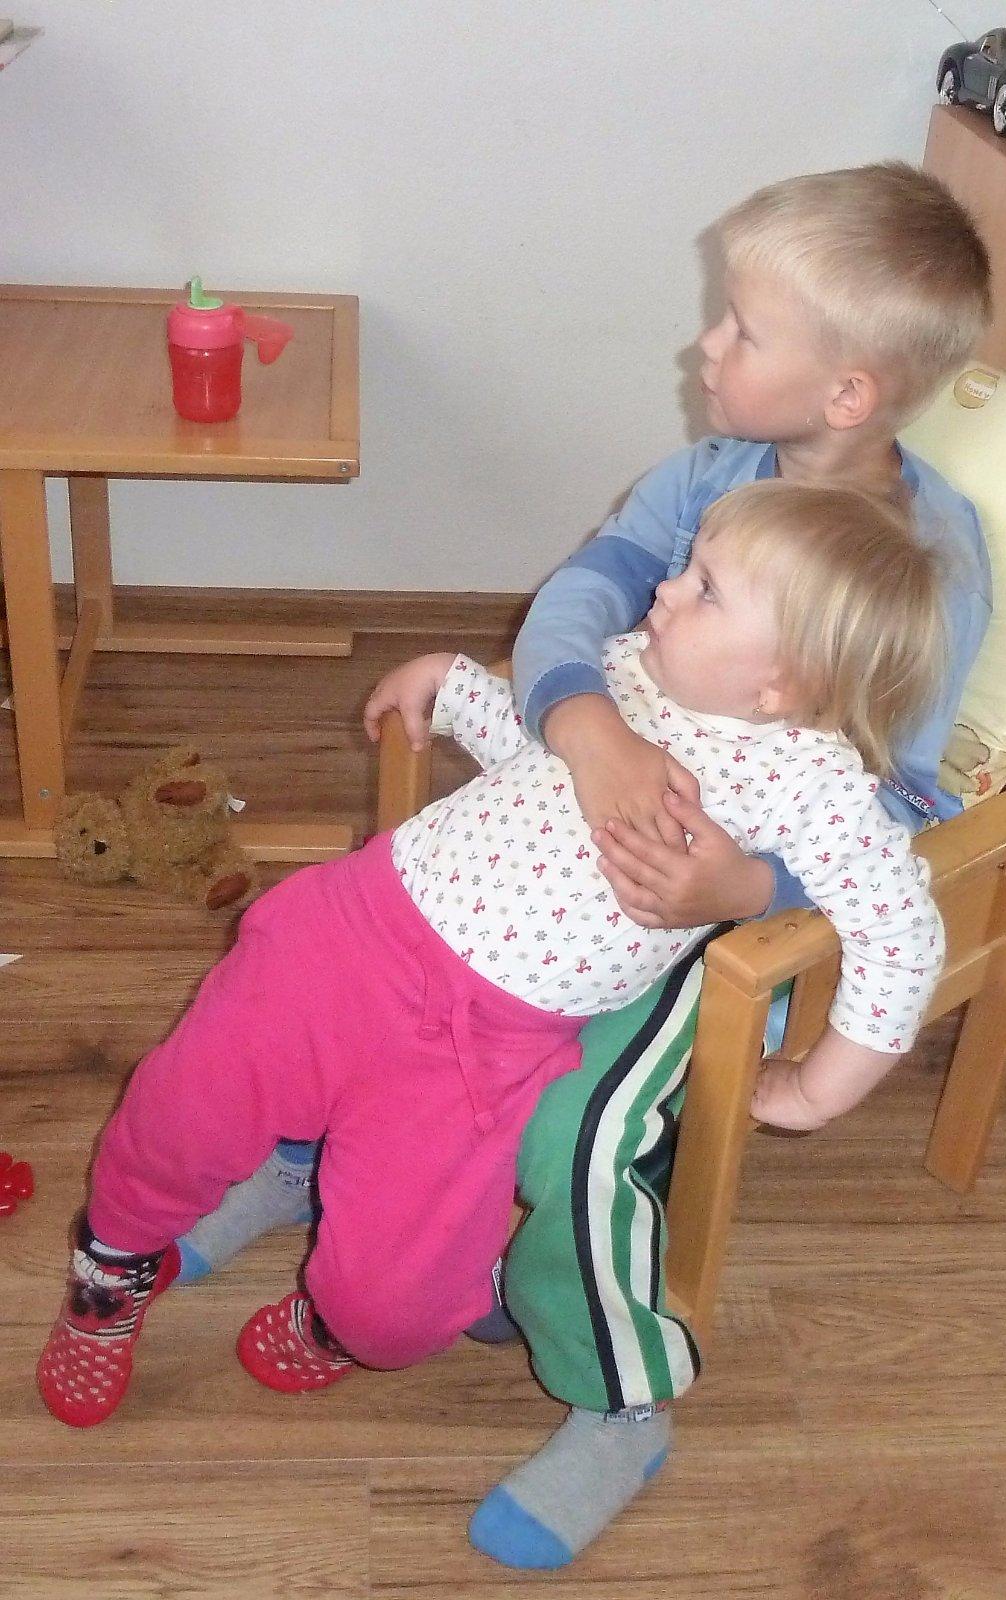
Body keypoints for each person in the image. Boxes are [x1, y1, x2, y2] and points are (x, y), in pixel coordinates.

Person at [171, 160, 994, 1568]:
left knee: (580, 1137)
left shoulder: (928, 558)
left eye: (740, 328)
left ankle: (621, 1400)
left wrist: (746, 891)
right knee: (368, 953)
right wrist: (582, 724)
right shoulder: (703, 483)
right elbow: (579, 601)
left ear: (846, 391)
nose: (704, 346)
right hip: (573, 823)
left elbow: (900, 798)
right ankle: (319, 1158)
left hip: (696, 920)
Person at [38, 480, 948, 1442]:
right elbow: (530, 745)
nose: (666, 589)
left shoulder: (813, 787)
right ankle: (112, 1274)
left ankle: (335, 1322)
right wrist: (451, 681)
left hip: (483, 1048)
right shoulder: (623, 669)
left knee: (396, 1304)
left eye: (706, 589)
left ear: (777, 686)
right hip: (355, 935)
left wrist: (818, 1089)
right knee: (180, 1115)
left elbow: (902, 933)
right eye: (688, 568)